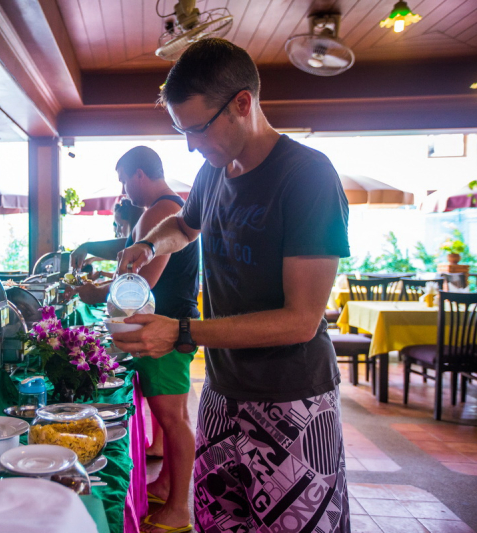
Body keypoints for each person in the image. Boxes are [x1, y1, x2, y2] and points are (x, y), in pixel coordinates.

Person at [113, 38, 351, 533]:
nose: (189, 144)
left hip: (292, 398)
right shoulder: (213, 170)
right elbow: (185, 225)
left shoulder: (307, 176)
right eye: (181, 130)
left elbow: (301, 321)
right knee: (218, 521)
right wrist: (150, 245)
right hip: (223, 390)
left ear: (243, 103)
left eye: (196, 128)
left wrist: (181, 331)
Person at [69, 146, 200, 533]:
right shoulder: (161, 209)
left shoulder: (162, 210)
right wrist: (89, 248)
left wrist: (97, 293)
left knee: (174, 420)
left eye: (125, 180)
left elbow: (143, 282)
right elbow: (130, 248)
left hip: (166, 326)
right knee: (173, 416)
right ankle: (166, 486)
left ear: (140, 174)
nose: (124, 190)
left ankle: (179, 510)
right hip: (168, 322)